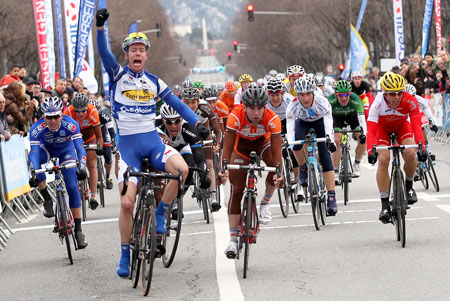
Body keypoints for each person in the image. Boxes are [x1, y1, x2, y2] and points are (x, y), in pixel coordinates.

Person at [96, 8, 203, 278]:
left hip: (153, 145)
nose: (137, 53)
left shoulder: (154, 82)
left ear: (146, 55)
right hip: (129, 150)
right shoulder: (117, 75)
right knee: (126, 204)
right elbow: (104, 54)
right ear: (127, 55)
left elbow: (176, 103)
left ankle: (160, 213)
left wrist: (196, 123)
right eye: (133, 49)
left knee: (181, 170)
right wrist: (100, 30)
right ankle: (124, 253)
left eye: (141, 49)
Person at [220, 84, 283, 258]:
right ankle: (233, 239)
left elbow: (278, 152)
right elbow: (227, 147)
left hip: (263, 143)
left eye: (260, 108)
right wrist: (223, 169)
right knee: (237, 188)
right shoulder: (235, 116)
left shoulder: (272, 118)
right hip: (241, 147)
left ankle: (265, 203)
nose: (256, 113)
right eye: (252, 109)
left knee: (274, 166)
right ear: (244, 107)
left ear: (265, 107)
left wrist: (279, 173)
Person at [28, 96, 88, 248]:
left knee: (73, 187)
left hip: (66, 151)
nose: (53, 121)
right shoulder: (36, 128)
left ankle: (79, 230)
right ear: (44, 117)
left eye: (56, 116)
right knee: (34, 164)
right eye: (49, 117)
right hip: (46, 150)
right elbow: (34, 153)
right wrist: (35, 172)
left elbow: (79, 146)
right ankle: (47, 198)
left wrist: (82, 165)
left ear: (61, 114)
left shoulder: (71, 124)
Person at [366, 72, 426, 223]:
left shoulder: (410, 100)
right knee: (384, 159)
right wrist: (370, 150)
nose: (397, 97)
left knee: (411, 154)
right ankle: (385, 204)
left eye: (400, 92)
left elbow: (416, 125)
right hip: (382, 130)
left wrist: (422, 147)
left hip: (402, 127)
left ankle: (409, 186)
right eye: (392, 94)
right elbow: (371, 129)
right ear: (385, 93)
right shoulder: (377, 103)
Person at [286, 77, 338, 216]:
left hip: (320, 123)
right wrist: (290, 143)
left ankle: (331, 196)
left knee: (325, 158)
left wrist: (330, 140)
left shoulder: (322, 102)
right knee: (296, 144)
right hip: (302, 122)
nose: (305, 98)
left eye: (308, 94)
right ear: (297, 95)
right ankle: (303, 168)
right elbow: (290, 128)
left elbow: (329, 124)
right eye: (302, 95)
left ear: (313, 93)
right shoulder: (292, 105)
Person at [157, 103, 210, 217]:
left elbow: (199, 157)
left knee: (190, 166)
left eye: (177, 121)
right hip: (163, 149)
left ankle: (176, 199)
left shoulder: (188, 128)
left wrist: (203, 175)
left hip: (182, 148)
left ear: (181, 119)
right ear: (162, 120)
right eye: (169, 122)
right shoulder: (155, 125)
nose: (173, 126)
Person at [181, 87, 222, 211]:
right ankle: (178, 198)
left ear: (198, 102)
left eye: (193, 102)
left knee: (208, 163)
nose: (191, 105)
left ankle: (213, 197)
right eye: (187, 102)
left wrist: (218, 144)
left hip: (204, 136)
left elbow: (217, 129)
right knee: (189, 166)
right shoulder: (179, 110)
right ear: (183, 102)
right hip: (188, 137)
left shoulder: (205, 109)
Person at [64, 93, 104, 210]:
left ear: (87, 107)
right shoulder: (68, 112)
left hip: (89, 137)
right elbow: (65, 135)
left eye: (83, 111)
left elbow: (99, 135)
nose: (80, 114)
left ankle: (93, 195)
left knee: (91, 164)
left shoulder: (92, 112)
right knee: (73, 162)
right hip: (74, 137)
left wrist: (100, 147)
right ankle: (80, 187)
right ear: (73, 109)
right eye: (78, 111)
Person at [328, 80, 367, 181]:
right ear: (336, 94)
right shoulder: (330, 100)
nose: (344, 98)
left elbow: (362, 120)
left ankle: (357, 164)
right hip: (337, 118)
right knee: (336, 140)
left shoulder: (355, 99)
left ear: (350, 93)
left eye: (346, 95)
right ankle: (335, 172)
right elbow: (326, 119)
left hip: (352, 117)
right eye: (340, 95)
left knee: (363, 139)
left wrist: (364, 134)